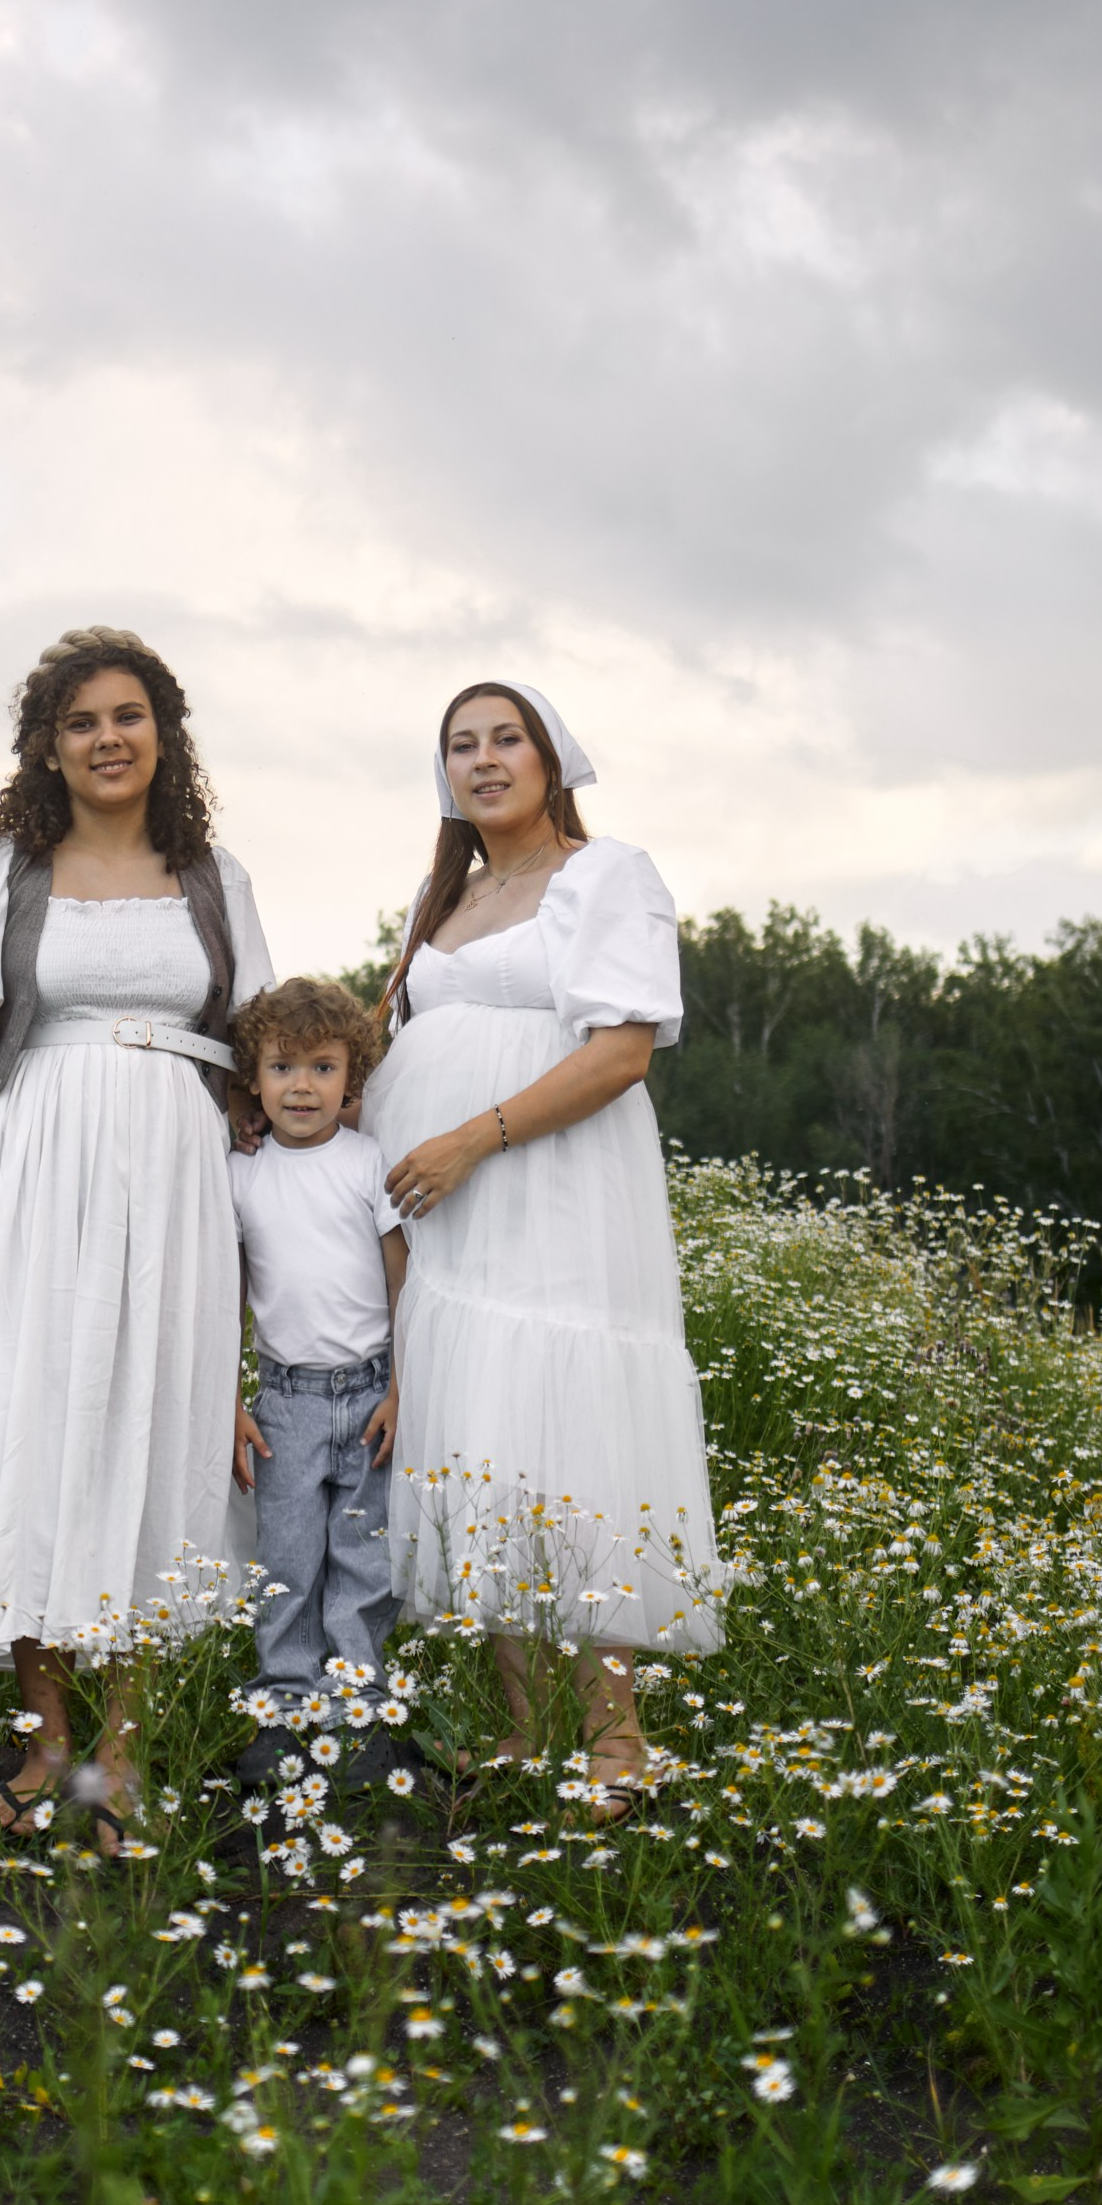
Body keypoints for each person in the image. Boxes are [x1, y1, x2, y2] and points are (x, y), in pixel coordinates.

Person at [0, 627, 273, 1846]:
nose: (106, 739)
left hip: (177, 1186)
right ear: (47, 748)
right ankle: (45, 1745)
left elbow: (260, 1056)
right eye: (80, 722)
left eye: (127, 716)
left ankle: (120, 1758)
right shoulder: (4, 872)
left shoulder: (212, 877)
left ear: (162, 733)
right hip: (33, 1175)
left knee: (152, 1438)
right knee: (31, 1435)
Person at [358, 680, 721, 1809]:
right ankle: (526, 1727)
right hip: (448, 1212)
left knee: (570, 1430)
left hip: (550, 1185)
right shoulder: (447, 897)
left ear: (550, 757)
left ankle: (615, 1740)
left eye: (505, 738)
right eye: (460, 745)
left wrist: (476, 1136)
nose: (482, 760)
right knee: (483, 1426)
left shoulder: (605, 874)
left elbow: (621, 1051)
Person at [226, 977, 409, 1791]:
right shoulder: (241, 1174)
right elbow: (228, 1295)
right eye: (283, 1067)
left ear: (352, 1078)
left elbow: (401, 1281)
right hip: (286, 1401)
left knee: (364, 1559)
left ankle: (356, 1709)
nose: (302, 1086)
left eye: (323, 1068)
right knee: (288, 1559)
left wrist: (403, 1387)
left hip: (369, 1392)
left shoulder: (369, 1163)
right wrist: (228, 1399)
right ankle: (284, 1705)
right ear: (254, 1079)